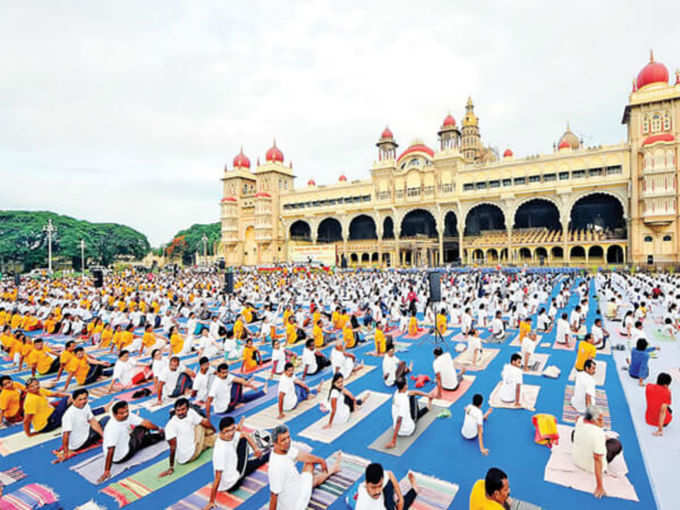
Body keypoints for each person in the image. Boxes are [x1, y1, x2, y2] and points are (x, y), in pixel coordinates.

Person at [267, 424, 341, 510]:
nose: (287, 441)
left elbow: (302, 456)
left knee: (310, 463)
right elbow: (273, 495)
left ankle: (331, 470)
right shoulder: (276, 467)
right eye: (283, 440)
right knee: (313, 478)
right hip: (296, 504)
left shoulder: (283, 449)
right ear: (275, 443)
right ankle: (333, 469)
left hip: (295, 485)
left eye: (288, 437)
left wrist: (321, 461)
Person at [204, 416, 269, 508]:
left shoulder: (228, 436)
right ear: (221, 432)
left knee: (250, 460)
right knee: (249, 453)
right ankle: (270, 454)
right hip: (233, 482)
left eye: (232, 429)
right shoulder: (220, 451)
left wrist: (256, 449)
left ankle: (262, 453)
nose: (231, 433)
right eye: (227, 431)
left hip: (234, 465)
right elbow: (218, 477)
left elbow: (245, 434)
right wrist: (211, 501)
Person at [97, 401, 164, 483]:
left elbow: (146, 422)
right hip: (123, 455)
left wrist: (158, 428)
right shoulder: (112, 428)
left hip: (126, 442)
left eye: (127, 411)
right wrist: (107, 470)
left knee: (143, 433)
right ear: (114, 415)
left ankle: (155, 435)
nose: (125, 414)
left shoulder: (127, 416)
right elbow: (110, 450)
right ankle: (161, 435)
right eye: (121, 413)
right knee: (142, 430)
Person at [572, 405, 623, 499]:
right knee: (616, 444)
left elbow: (578, 419)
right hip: (589, 465)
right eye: (600, 419)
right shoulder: (598, 434)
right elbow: (597, 459)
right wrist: (600, 486)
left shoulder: (580, 420)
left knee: (574, 432)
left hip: (576, 458)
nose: (602, 422)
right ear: (594, 420)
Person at [159, 398, 216, 477]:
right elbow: (172, 448)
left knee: (215, 438)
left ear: (188, 409)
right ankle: (209, 436)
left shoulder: (190, 413)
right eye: (178, 410)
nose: (180, 412)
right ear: (175, 411)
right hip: (190, 455)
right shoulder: (170, 425)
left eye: (183, 409)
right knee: (201, 424)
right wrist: (171, 467)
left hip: (191, 448)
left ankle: (208, 439)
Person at [56, 388, 108, 462]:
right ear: (73, 400)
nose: (83, 401)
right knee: (107, 419)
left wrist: (103, 436)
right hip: (80, 443)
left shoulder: (86, 406)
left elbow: (93, 421)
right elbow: (66, 434)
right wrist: (66, 452)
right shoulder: (69, 415)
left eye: (85, 398)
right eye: (80, 399)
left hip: (85, 433)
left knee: (103, 422)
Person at [385, 377, 432, 449]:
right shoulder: (404, 401)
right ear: (405, 386)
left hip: (396, 428)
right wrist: (393, 440)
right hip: (408, 430)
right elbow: (399, 420)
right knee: (414, 399)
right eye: (406, 383)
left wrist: (427, 395)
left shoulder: (397, 392)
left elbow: (413, 392)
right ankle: (427, 408)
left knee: (412, 396)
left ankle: (420, 410)